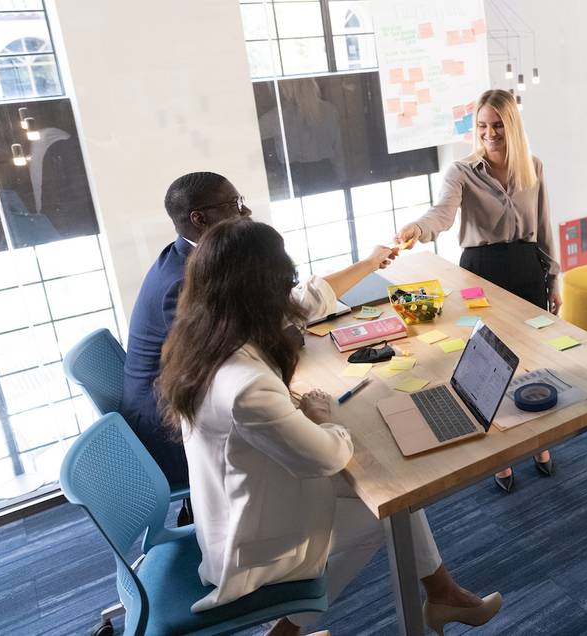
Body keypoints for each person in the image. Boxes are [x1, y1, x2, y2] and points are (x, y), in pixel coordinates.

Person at [158, 218, 502, 636]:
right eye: (282, 282)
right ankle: (287, 631)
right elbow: (326, 456)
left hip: (241, 502)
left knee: (392, 494)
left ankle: (443, 593)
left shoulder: (203, 339)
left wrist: (372, 262)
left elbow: (309, 301)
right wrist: (323, 419)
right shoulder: (245, 385)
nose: (288, 292)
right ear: (258, 292)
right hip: (250, 547)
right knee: (387, 512)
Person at [121, 171, 396, 525]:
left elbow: (287, 306)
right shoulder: (182, 283)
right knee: (364, 456)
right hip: (173, 429)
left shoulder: (205, 263)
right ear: (199, 219)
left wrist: (369, 265)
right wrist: (283, 339)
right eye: (234, 204)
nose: (246, 210)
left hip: (196, 412)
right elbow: (246, 346)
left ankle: (438, 582)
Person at [394, 88, 560, 493]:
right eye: (483, 126)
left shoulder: (533, 168)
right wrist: (419, 228)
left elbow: (544, 226)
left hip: (526, 271)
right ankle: (500, 456)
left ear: (512, 126)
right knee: (487, 366)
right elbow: (442, 215)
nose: (490, 133)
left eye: (498, 125)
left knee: (532, 359)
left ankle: (538, 441)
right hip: (480, 274)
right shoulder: (461, 172)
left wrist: (554, 279)